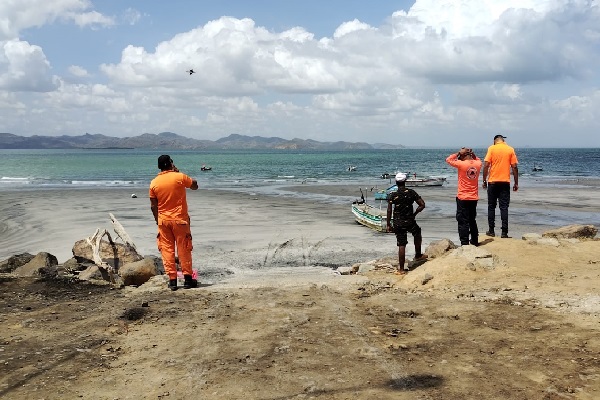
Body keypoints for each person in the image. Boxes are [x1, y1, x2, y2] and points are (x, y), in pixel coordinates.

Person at [149, 155, 199, 291]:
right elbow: (195, 186)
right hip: (180, 220)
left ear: (159, 167)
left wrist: (158, 221)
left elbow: (153, 206)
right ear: (171, 163)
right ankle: (188, 279)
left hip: (163, 221)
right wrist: (178, 172)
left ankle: (172, 281)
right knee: (184, 248)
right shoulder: (179, 177)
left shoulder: (154, 183)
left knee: (167, 250)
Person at [386, 172, 427, 273]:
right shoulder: (411, 192)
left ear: (396, 182)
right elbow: (422, 204)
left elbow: (389, 210)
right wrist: (415, 214)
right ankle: (418, 255)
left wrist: (388, 224)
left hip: (398, 222)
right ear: (405, 181)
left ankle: (401, 269)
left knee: (401, 244)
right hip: (409, 221)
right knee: (417, 232)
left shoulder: (393, 195)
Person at [482, 134, 519, 238]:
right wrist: (516, 183)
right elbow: (514, 167)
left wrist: (484, 180)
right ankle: (504, 232)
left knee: (491, 206)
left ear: (495, 141)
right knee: (504, 207)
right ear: (503, 140)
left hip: (493, 182)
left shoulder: (491, 148)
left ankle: (491, 230)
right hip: (505, 182)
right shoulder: (510, 149)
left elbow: (486, 165)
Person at [446, 147, 482, 246]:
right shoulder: (478, 164)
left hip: (463, 197)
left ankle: (464, 243)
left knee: (462, 221)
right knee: (472, 220)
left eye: (461, 156)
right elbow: (478, 159)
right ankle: (475, 240)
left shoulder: (461, 164)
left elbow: (448, 160)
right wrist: (472, 154)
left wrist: (458, 153)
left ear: (463, 155)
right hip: (474, 197)